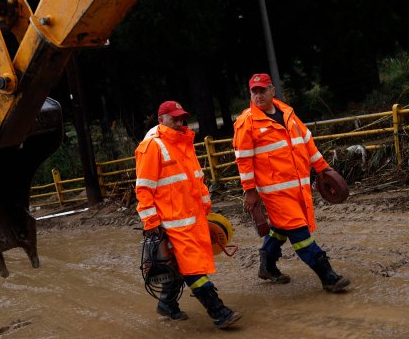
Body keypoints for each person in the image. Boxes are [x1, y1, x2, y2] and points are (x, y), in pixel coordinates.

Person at [233, 74, 350, 292]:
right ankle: (328, 277)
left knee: (280, 227)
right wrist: (250, 192)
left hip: (298, 186)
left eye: (262, 90)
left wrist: (323, 169)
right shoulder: (246, 123)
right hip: (274, 191)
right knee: (299, 232)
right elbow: (244, 161)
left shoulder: (288, 114)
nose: (258, 95)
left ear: (272, 91)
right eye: (254, 92)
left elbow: (306, 143)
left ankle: (266, 265)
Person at [135, 100, 242, 329]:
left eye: (181, 117)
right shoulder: (152, 146)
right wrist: (151, 222)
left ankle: (167, 306)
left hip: (192, 219)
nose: (179, 122)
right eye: (174, 118)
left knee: (178, 267)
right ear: (160, 118)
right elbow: (144, 189)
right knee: (193, 268)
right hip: (171, 224)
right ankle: (219, 313)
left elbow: (196, 179)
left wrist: (206, 209)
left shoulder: (184, 143)